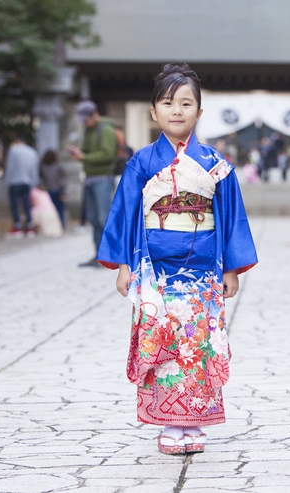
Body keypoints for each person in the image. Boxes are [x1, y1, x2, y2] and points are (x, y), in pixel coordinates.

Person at [97, 63, 258, 455]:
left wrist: (232, 267)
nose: (177, 110)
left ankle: (195, 422)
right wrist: (122, 265)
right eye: (168, 103)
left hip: (203, 271)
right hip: (156, 270)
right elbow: (123, 213)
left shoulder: (215, 165)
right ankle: (170, 421)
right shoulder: (141, 163)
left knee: (197, 345)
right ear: (154, 111)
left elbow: (232, 216)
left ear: (199, 113)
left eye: (186, 103)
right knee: (164, 344)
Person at [65, 100, 118, 267]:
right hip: (89, 179)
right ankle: (98, 256)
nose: (84, 123)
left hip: (103, 179)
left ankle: (110, 256)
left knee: (103, 219)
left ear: (94, 115)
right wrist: (78, 153)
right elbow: (87, 152)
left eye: (86, 119)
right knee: (94, 219)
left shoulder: (106, 129)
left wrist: (85, 157)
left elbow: (108, 154)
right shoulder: (90, 131)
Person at [4, 133, 39, 238]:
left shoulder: (13, 150)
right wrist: (34, 182)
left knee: (15, 205)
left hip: (15, 181)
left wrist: (6, 181)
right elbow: (34, 170)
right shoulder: (32, 152)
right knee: (27, 205)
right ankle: (29, 227)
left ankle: (17, 227)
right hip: (27, 182)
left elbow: (9, 167)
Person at [39, 149, 67, 229]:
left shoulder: (43, 166)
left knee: (49, 210)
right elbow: (63, 178)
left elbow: (41, 177)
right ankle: (61, 225)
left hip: (47, 190)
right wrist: (63, 191)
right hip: (58, 190)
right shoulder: (58, 165)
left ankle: (51, 226)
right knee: (60, 209)